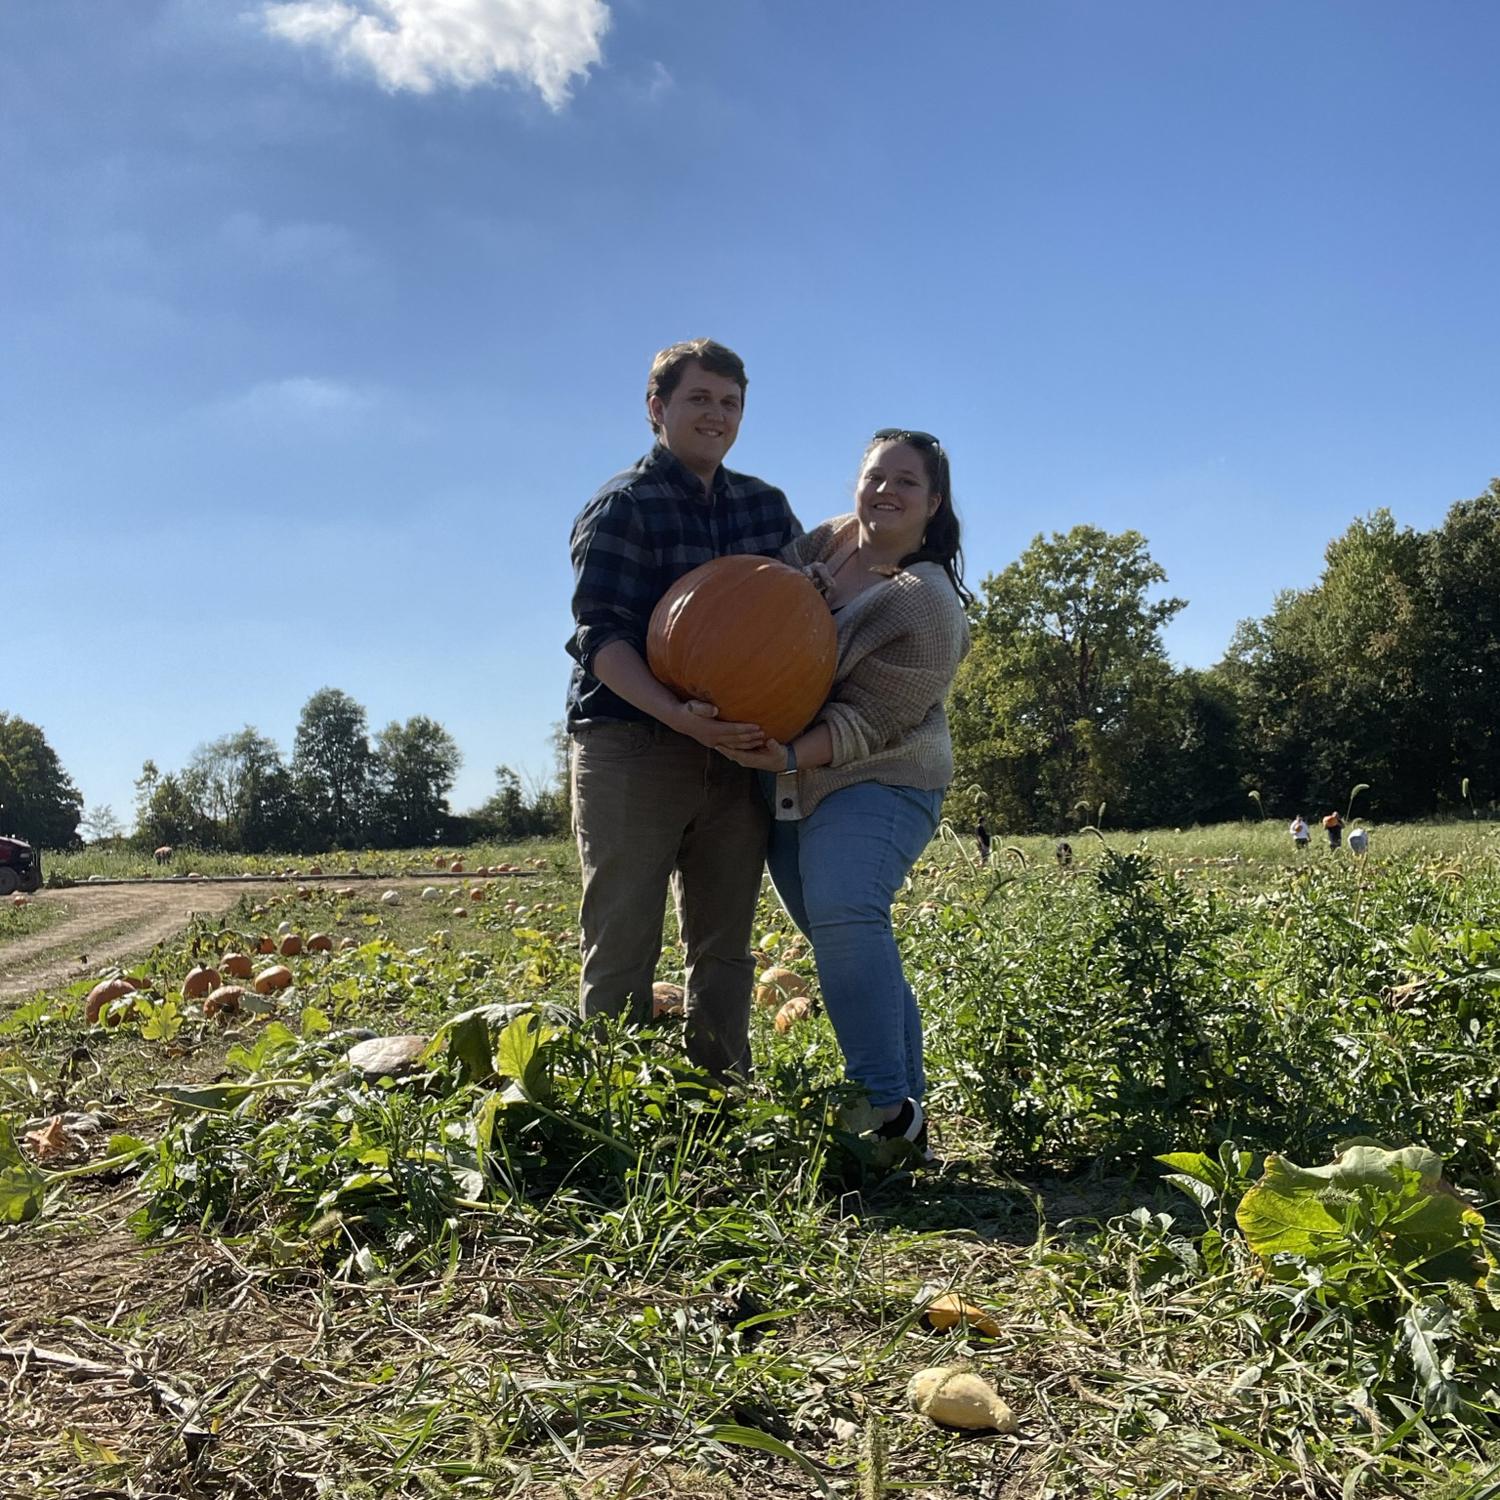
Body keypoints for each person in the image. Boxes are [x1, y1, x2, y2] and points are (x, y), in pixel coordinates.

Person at [716, 429, 971, 1158]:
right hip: (791, 779)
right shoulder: (827, 542)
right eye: (874, 476)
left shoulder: (926, 603)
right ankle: (910, 1123)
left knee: (844, 911)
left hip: (879, 777)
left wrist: (789, 751)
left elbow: (871, 721)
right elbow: (763, 607)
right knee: (848, 936)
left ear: (933, 504)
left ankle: (883, 1111)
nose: (885, 491)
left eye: (906, 483)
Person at [565, 339, 801, 1080]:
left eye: (730, 403)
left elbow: (796, 624)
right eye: (700, 399)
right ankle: (614, 1109)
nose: (717, 415)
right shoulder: (623, 507)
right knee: (623, 937)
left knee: (725, 943)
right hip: (632, 743)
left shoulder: (765, 508)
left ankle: (723, 1093)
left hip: (736, 749)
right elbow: (600, 639)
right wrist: (682, 714)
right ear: (657, 408)